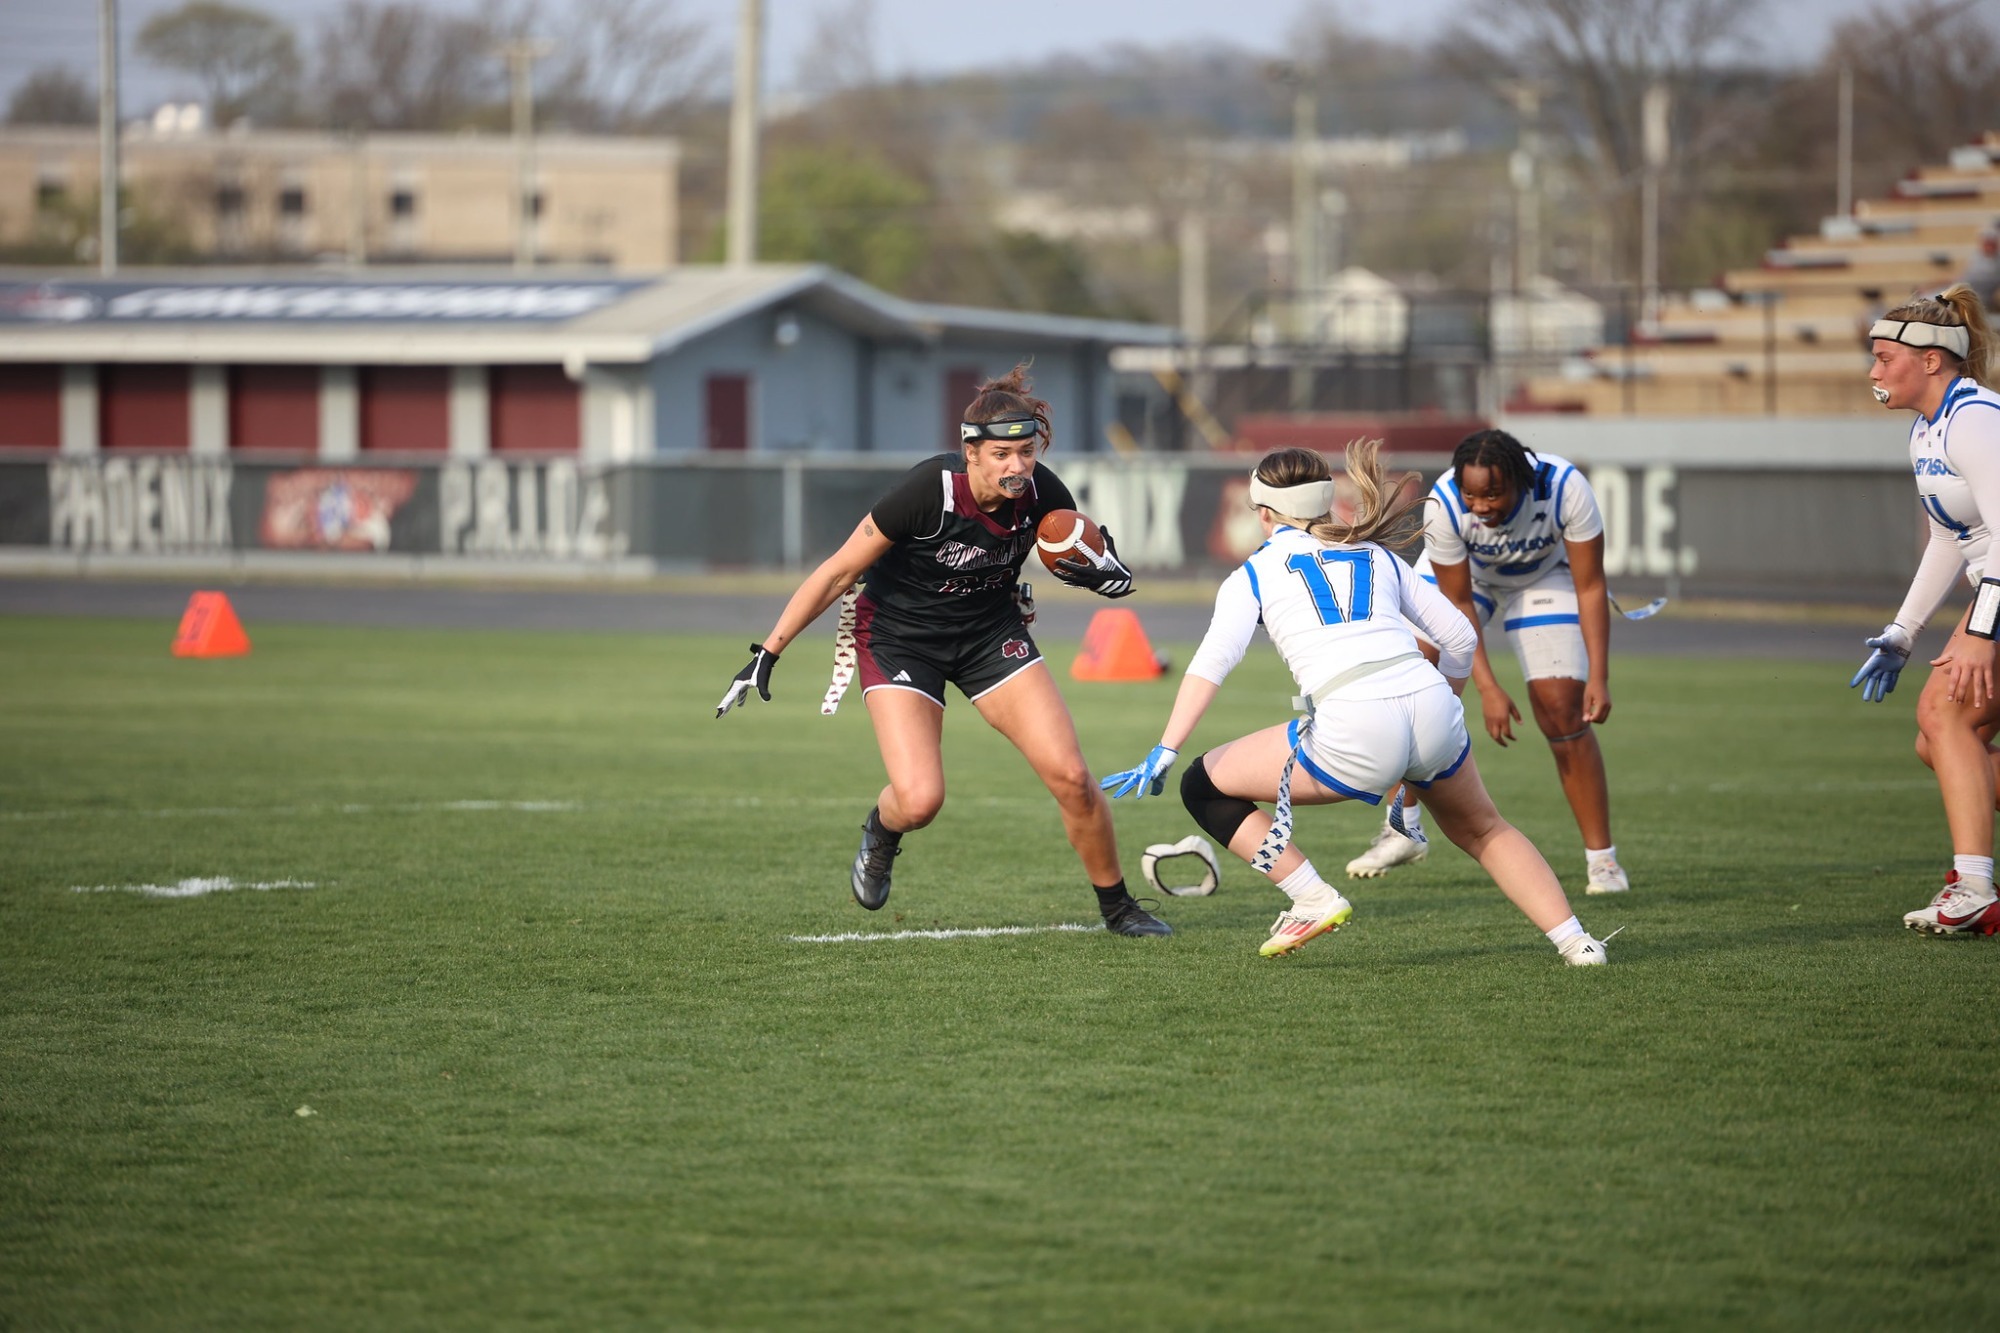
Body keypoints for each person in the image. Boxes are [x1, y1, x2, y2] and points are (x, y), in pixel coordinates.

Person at [1098, 440, 1611, 964]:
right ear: (1323, 501)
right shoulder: (1378, 553)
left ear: (1264, 511)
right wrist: (1446, 701)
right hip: (1429, 703)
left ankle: (1312, 898)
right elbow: (1459, 637)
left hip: (1355, 721)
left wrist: (1166, 747)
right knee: (1485, 830)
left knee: (1202, 786)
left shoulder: (1252, 573)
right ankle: (1577, 942)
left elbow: (1211, 664)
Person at [715, 364, 1171, 937]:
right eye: (1002, 455)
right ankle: (883, 831)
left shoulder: (1045, 496)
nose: (1018, 466)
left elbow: (1072, 554)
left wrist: (1102, 571)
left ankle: (1118, 907)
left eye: (1026, 452)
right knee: (921, 799)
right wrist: (769, 652)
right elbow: (837, 573)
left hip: (988, 635)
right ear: (971, 452)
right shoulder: (927, 491)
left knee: (1074, 778)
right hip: (900, 637)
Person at [1344, 429, 1629, 898]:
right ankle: (1403, 830)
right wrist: (1490, 688)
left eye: (1493, 494)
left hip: (1542, 576)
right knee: (1410, 674)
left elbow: (1591, 585)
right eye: (1472, 494)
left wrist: (1599, 675)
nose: (1479, 505)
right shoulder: (1445, 505)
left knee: (1561, 707)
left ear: (1521, 479)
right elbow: (1458, 603)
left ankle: (1603, 863)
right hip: (1465, 582)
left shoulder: (1565, 487)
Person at [1851, 283, 2000, 936]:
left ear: (1932, 359)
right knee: (1935, 741)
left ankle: (1974, 890)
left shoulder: (1975, 418)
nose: (1874, 370)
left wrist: (1981, 632)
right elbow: (1951, 536)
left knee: (1942, 712)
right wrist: (1903, 631)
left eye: (1885, 357)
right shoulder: (1927, 428)